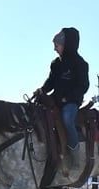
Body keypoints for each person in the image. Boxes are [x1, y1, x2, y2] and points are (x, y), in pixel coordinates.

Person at [33, 27, 89, 168]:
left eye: (56, 46)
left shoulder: (81, 64)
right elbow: (50, 82)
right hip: (56, 100)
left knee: (67, 119)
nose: (54, 49)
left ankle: (74, 156)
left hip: (71, 102)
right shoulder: (56, 64)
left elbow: (83, 86)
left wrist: (68, 99)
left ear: (66, 44)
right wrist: (41, 90)